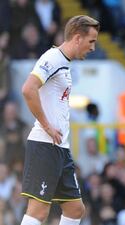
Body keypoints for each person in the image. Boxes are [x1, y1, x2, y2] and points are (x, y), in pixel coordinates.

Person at [20, 15, 99, 225]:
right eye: (91, 41)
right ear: (77, 38)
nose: (93, 48)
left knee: (75, 209)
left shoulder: (63, 62)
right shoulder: (52, 58)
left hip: (59, 148)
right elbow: (28, 89)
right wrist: (47, 126)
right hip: (45, 146)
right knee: (38, 212)